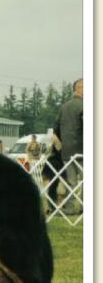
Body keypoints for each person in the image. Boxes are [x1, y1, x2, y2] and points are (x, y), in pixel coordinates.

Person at [54, 78, 83, 215]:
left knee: (71, 182)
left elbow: (56, 128)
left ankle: (70, 208)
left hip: (67, 151)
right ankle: (85, 208)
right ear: (80, 88)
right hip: (83, 150)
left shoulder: (64, 107)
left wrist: (63, 144)